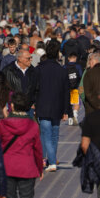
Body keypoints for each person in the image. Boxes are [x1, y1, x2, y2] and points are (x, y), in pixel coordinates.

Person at [0, 92, 43, 198]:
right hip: (27, 167)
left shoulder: (3, 124)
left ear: (12, 106)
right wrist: (39, 168)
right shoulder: (32, 125)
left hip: (8, 167)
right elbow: (37, 149)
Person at [34, 41, 70, 172]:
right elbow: (67, 91)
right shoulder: (62, 70)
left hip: (43, 105)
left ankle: (52, 161)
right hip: (57, 106)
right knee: (54, 135)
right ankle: (50, 160)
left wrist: (34, 103)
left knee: (46, 133)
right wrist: (66, 110)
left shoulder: (39, 69)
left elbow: (35, 89)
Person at [64, 51, 83, 125]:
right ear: (75, 58)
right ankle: (75, 114)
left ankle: (70, 118)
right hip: (75, 87)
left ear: (68, 58)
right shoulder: (78, 66)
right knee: (76, 102)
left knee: (68, 103)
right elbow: (80, 76)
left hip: (67, 87)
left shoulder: (65, 66)